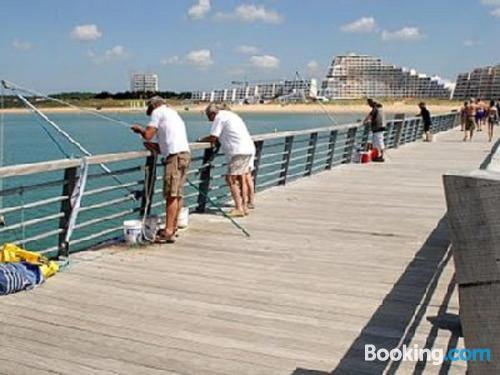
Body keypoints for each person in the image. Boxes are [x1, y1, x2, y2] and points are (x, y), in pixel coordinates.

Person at [131, 96, 191, 243]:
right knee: (177, 194)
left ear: (154, 106)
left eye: (149, 108)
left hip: (175, 157)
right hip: (184, 154)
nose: (150, 112)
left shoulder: (158, 112)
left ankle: (168, 231)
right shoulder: (171, 113)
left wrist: (139, 130)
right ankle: (173, 227)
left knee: (171, 194)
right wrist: (150, 145)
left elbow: (148, 134)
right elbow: (163, 143)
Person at [200, 104, 255, 217]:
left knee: (230, 179)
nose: (209, 120)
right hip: (248, 148)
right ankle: (244, 206)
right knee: (241, 178)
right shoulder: (231, 115)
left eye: (209, 117)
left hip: (238, 151)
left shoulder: (219, 117)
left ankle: (239, 208)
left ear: (212, 114)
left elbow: (213, 137)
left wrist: (201, 139)